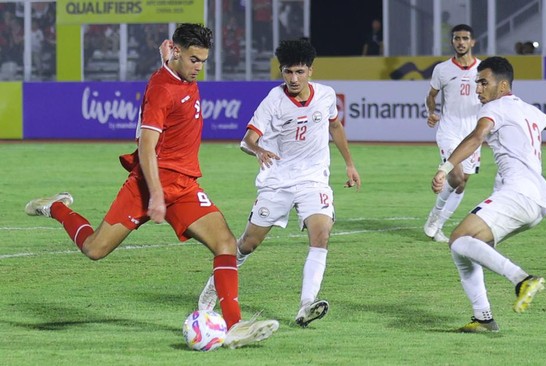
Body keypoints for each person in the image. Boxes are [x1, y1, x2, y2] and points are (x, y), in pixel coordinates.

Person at [24, 23, 279, 349]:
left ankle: (235, 325)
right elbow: (146, 147)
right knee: (94, 249)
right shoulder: (161, 90)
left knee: (226, 243)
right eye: (193, 59)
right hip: (146, 186)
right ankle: (55, 207)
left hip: (184, 187)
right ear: (177, 52)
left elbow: (173, 73)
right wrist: (156, 195)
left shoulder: (179, 73)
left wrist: (168, 60)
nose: (198, 67)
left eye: (202, 60)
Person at [197, 38, 362, 328]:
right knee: (248, 244)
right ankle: (213, 288)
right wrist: (259, 150)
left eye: (299, 72)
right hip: (278, 181)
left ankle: (306, 305)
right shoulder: (274, 100)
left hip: (313, 179)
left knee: (321, 234)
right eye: (288, 72)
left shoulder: (325, 95)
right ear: (281, 71)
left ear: (310, 71)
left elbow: (335, 125)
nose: (294, 78)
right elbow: (248, 139)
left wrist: (349, 164)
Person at [432, 56, 546, 332]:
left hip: (518, 192)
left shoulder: (496, 108)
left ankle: (522, 279)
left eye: (483, 82)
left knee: (458, 239)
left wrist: (445, 167)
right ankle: (483, 317)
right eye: (477, 82)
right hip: (538, 200)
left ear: (502, 86)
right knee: (466, 248)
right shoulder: (528, 110)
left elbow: (476, 137)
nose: (478, 88)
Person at [424, 24, 482, 243]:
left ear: (472, 42)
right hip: (449, 129)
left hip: (473, 133)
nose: (460, 42)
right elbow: (431, 95)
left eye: (465, 38)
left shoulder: (483, 69)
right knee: (455, 176)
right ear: (452, 42)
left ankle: (438, 224)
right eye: (457, 38)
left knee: (462, 182)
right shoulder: (442, 69)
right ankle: (434, 216)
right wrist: (431, 112)